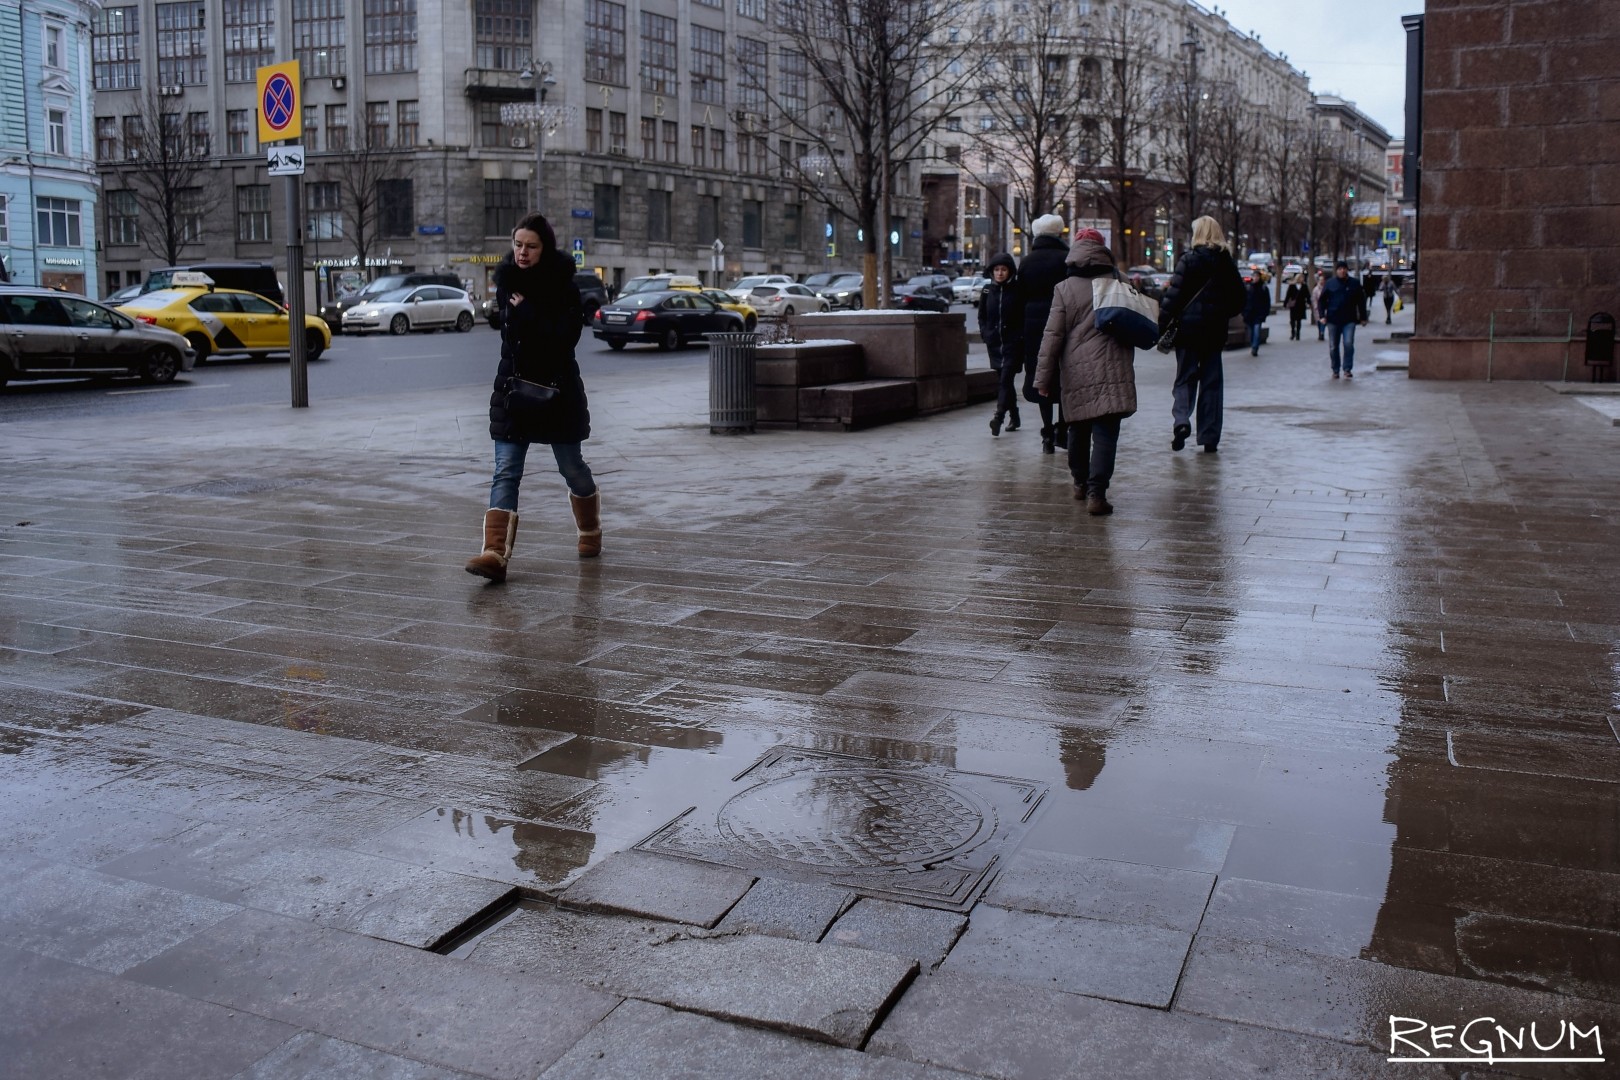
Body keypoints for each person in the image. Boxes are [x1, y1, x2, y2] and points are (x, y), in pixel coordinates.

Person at [465, 212, 601, 583]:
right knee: (506, 470)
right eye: (518, 244)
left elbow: (564, 339)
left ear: (545, 248)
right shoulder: (507, 283)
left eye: (531, 246)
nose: (523, 252)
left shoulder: (564, 288)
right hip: (513, 392)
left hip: (558, 394)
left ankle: (590, 530)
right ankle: (494, 553)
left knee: (572, 468)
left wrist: (528, 311)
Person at [1034, 228, 1137, 515]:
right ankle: (1097, 493)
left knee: (1077, 428)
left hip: (1076, 372)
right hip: (1114, 368)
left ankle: (1079, 481)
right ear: (1103, 249)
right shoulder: (1120, 280)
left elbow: (1051, 336)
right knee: (1106, 434)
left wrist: (1042, 380)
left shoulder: (1064, 289)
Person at [1157, 215, 1246, 454]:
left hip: (1187, 332)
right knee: (1212, 383)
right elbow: (1239, 300)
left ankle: (1182, 421)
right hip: (1214, 333)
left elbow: (1172, 299)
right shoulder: (1226, 263)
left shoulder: (1188, 260)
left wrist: (1161, 326)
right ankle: (1209, 436)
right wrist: (1221, 312)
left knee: (1185, 378)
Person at [1018, 213, 1071, 454]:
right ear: (1059, 233)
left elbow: (1020, 297)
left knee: (1041, 378)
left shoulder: (1027, 262)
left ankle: (1047, 432)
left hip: (1033, 328)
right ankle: (1062, 429)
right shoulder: (1067, 259)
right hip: (1063, 324)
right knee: (1063, 376)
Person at [978, 252, 1024, 437]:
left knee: (1005, 380)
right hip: (995, 344)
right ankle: (1015, 415)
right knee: (1005, 382)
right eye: (996, 269)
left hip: (1013, 344)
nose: (999, 273)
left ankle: (999, 417)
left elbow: (1023, 315)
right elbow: (982, 316)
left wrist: (1020, 337)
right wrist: (985, 334)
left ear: (1010, 271)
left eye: (1003, 269)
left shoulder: (1018, 290)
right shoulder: (987, 291)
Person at [1317, 260, 1369, 379]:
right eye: (1340, 269)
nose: (1342, 271)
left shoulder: (1354, 284)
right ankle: (1335, 369)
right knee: (1333, 346)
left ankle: (1347, 369)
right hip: (1333, 319)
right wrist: (1322, 316)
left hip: (1349, 319)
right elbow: (1322, 301)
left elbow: (1361, 301)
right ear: (1336, 271)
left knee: (1348, 344)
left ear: (1347, 270)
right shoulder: (1330, 283)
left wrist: (1363, 317)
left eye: (1344, 268)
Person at [1242, 271, 1270, 356]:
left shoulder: (1263, 288)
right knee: (1251, 332)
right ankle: (1253, 344)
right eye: (1254, 276)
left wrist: (1265, 313)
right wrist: (1243, 312)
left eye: (1257, 276)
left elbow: (1267, 302)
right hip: (1249, 314)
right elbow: (1244, 300)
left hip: (1259, 314)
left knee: (1257, 331)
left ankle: (1255, 347)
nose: (1256, 278)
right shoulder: (1248, 287)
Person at [1284, 275, 1309, 340]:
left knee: (1299, 320)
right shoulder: (1292, 286)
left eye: (1303, 278)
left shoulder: (1304, 286)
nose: (1302, 279)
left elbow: (1307, 295)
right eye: (1301, 277)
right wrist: (1285, 303)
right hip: (1294, 306)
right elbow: (1288, 295)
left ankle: (1298, 333)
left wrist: (1309, 303)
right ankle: (1293, 332)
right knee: (1292, 320)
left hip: (1301, 305)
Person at [1310, 270, 1328, 341]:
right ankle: (1320, 332)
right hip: (1317, 307)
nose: (1321, 281)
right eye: (1320, 280)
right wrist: (1315, 306)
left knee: (1323, 320)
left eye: (1323, 280)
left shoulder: (1326, 288)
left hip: (1325, 307)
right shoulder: (1316, 289)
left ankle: (1322, 333)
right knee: (1318, 321)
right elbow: (1314, 299)